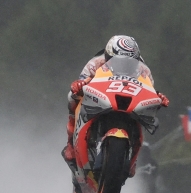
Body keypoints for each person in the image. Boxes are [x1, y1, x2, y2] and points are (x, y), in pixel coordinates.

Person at [61, 35, 169, 177]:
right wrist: (80, 84)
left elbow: (149, 89)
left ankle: (132, 160)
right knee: (72, 96)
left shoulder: (144, 71)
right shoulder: (95, 63)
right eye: (119, 62)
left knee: (141, 117)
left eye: (129, 63)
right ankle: (70, 144)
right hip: (102, 99)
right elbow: (82, 81)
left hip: (129, 102)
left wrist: (158, 96)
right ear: (108, 56)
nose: (124, 66)